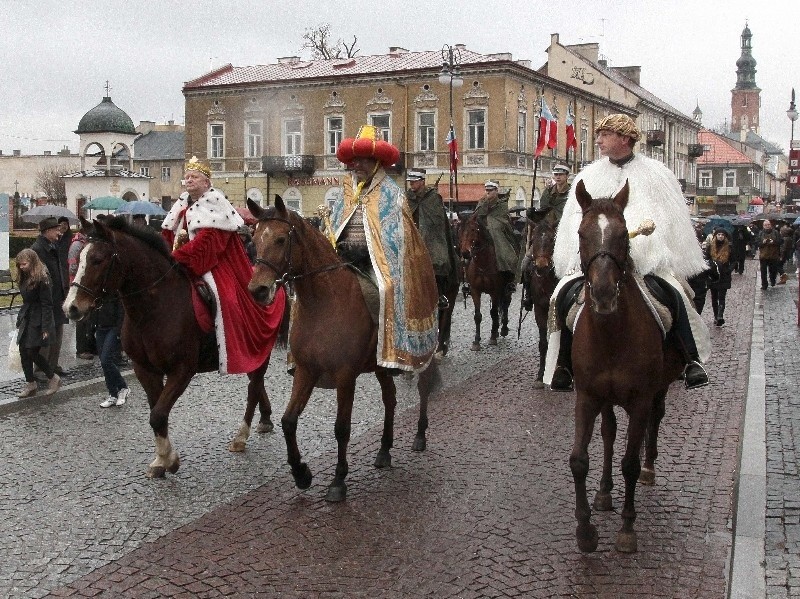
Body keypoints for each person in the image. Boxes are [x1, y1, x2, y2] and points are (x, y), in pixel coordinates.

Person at [544, 113, 711, 391]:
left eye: (605, 135)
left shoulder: (658, 175)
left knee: (676, 294)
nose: (598, 141)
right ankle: (563, 365)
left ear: (624, 139)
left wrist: (640, 239)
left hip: (648, 261)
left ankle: (691, 359)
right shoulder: (588, 175)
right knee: (559, 296)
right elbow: (575, 218)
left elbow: (670, 220)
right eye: (598, 135)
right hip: (596, 261)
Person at [161, 156, 286, 374]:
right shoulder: (181, 204)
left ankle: (225, 344)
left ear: (206, 183)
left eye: (195, 177)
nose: (189, 180)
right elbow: (167, 233)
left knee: (226, 298)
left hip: (213, 262)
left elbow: (209, 243)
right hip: (182, 258)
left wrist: (177, 258)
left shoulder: (216, 203)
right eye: (187, 176)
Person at [332, 125, 438, 374]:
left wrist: (369, 252)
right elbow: (335, 223)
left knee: (387, 289)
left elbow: (394, 237)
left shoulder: (392, 194)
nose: (357, 165)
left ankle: (391, 348)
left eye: (363, 160)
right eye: (355, 160)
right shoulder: (346, 190)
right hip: (342, 257)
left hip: (375, 262)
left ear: (377, 163)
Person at [404, 168, 459, 309]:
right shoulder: (406, 198)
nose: (411, 184)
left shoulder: (433, 198)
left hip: (432, 238)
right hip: (410, 238)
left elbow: (438, 221)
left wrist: (428, 229)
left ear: (422, 182)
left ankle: (440, 294)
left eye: (414, 182)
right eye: (410, 181)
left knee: (439, 259)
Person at [14, 249, 61, 398]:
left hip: (39, 318)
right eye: (19, 265)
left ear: (32, 262)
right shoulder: (25, 275)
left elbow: (47, 304)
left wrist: (46, 327)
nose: (21, 267)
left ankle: (52, 377)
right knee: (23, 350)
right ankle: (30, 383)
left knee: (32, 351)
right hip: (28, 315)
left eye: (24, 264)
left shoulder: (43, 277)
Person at [30, 217, 69, 376]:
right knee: (45, 337)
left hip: (58, 297)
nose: (59, 232)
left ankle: (53, 365)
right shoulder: (37, 249)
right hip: (46, 300)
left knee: (57, 335)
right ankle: (41, 370)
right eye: (55, 230)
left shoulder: (54, 246)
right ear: (47, 231)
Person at [473, 180, 521, 296]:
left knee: (507, 256)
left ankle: (510, 279)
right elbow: (478, 215)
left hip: (499, 233)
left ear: (496, 191)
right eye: (487, 190)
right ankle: (468, 281)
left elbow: (503, 220)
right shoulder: (482, 202)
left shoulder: (502, 205)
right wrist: (485, 202)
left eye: (491, 190)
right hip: (483, 232)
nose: (488, 192)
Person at [94, 293, 130, 408]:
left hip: (112, 328)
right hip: (100, 327)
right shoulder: (98, 289)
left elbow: (122, 310)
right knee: (104, 363)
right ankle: (113, 394)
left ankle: (123, 387)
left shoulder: (115, 290)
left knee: (106, 360)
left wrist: (119, 330)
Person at [67, 227, 97, 360]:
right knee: (81, 318)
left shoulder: (84, 243)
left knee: (89, 318)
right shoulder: (76, 245)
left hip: (84, 285)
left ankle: (89, 345)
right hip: (77, 284)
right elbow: (73, 266)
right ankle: (81, 349)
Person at [707, 228, 733, 326]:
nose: (721, 236)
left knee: (722, 297)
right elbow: (707, 258)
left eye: (722, 235)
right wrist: (711, 267)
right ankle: (715, 315)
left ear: (725, 236)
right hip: (713, 275)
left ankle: (720, 316)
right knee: (714, 297)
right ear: (716, 236)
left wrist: (729, 270)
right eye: (719, 234)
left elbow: (734, 260)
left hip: (724, 276)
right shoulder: (710, 247)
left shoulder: (729, 247)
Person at [756, 219, 781, 289]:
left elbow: (780, 241)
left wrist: (774, 241)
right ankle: (764, 285)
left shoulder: (775, 232)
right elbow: (757, 243)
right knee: (763, 272)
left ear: (771, 225)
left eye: (768, 224)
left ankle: (773, 280)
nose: (767, 226)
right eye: (765, 225)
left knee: (773, 270)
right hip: (763, 256)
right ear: (763, 226)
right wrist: (762, 242)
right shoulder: (760, 233)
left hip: (773, 255)